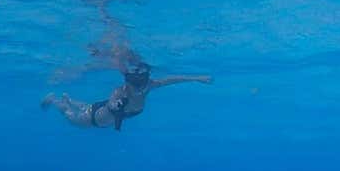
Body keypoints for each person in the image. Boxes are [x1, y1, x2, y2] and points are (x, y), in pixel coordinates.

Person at [42, 60, 212, 131]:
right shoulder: (121, 91)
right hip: (94, 120)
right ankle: (55, 101)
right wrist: (114, 105)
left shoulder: (150, 86)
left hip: (99, 110)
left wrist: (197, 78)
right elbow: (112, 101)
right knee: (72, 118)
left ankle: (68, 99)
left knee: (88, 106)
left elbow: (173, 79)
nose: (136, 87)